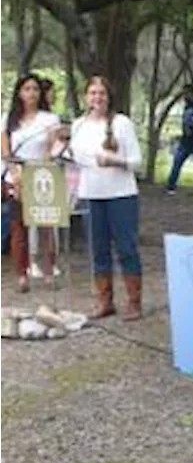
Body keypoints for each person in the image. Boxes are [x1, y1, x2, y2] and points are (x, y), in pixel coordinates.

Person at [69, 76, 144, 319]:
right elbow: (75, 158)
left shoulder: (122, 123)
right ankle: (105, 301)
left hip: (121, 195)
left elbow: (137, 162)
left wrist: (115, 161)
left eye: (101, 93)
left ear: (109, 96)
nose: (97, 98)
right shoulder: (78, 125)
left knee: (126, 248)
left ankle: (134, 301)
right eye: (92, 93)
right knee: (98, 249)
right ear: (85, 97)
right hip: (91, 195)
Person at [1, 74, 61, 291]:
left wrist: (45, 164)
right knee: (19, 227)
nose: (31, 93)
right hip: (16, 176)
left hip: (43, 175)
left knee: (45, 226)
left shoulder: (49, 119)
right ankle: (22, 275)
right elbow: (5, 150)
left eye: (35, 89)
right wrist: (15, 175)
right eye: (26, 89)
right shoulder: (8, 119)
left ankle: (48, 271)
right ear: (19, 93)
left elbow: (54, 146)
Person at [166, 85, 193, 194]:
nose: (184, 96)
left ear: (192, 93)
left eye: (186, 93)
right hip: (185, 141)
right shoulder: (186, 106)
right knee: (177, 162)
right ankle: (171, 186)